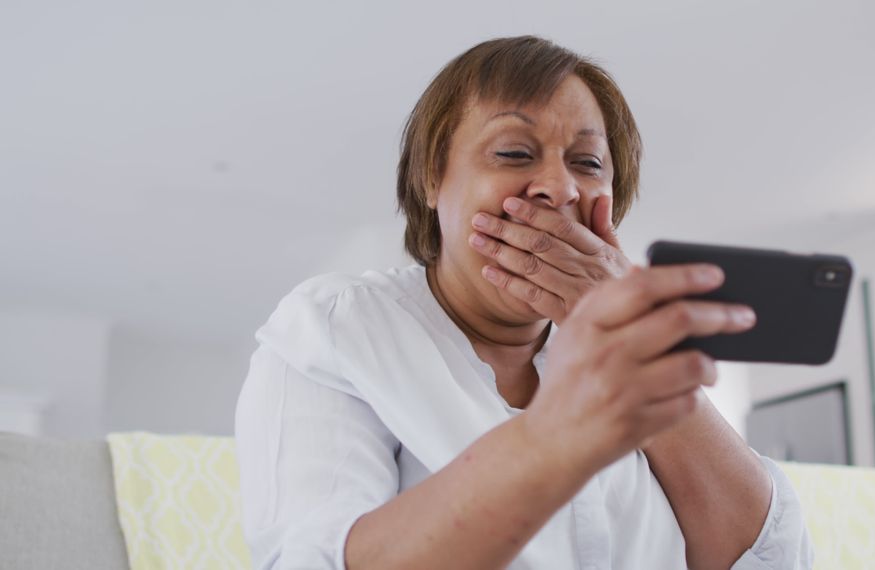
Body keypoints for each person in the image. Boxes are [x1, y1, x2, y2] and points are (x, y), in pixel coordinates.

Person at [235, 35, 813, 570]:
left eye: (587, 163)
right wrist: (561, 433)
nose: (559, 188)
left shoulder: (634, 361)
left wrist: (643, 345)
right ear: (432, 179)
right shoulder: (339, 328)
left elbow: (773, 557)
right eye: (514, 153)